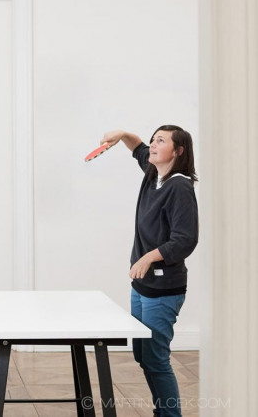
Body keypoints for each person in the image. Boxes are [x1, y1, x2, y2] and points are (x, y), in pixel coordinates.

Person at [101, 126, 198, 417]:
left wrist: (148, 258)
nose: (153, 145)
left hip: (164, 289)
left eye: (161, 141)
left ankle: (170, 414)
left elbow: (185, 239)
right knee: (143, 355)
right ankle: (162, 412)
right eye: (154, 139)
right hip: (142, 287)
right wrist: (122, 134)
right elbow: (138, 148)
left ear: (178, 151)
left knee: (156, 359)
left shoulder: (179, 187)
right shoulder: (154, 173)